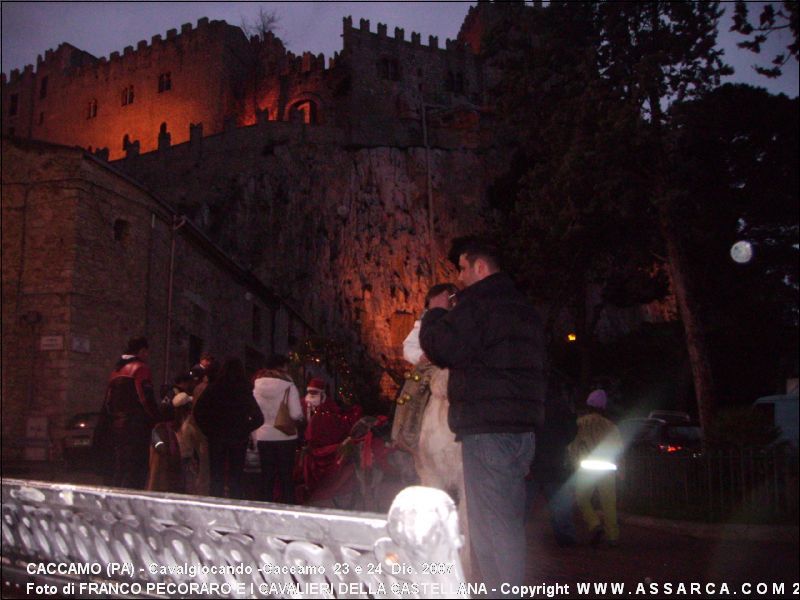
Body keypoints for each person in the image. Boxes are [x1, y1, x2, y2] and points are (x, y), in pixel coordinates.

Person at [419, 236, 545, 595]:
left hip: (489, 433)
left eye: (461, 269)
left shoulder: (482, 302)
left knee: (492, 529)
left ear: (479, 267)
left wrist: (436, 311)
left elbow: (442, 347)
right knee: (504, 523)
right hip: (521, 431)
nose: (459, 278)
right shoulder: (523, 307)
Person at [193, 358, 264, 498]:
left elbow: (198, 411)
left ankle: (215, 506)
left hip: (217, 437)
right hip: (238, 438)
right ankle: (234, 508)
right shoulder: (244, 389)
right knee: (236, 478)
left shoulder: (214, 388)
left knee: (216, 477)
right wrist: (244, 429)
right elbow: (258, 418)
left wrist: (208, 430)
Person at [526, 371, 578, 547]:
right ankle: (565, 534)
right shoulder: (562, 406)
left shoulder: (532, 404)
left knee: (523, 504)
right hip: (555, 461)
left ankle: (513, 533)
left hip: (533, 461)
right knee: (560, 501)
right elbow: (571, 432)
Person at [102, 336, 160, 489]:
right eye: (146, 352)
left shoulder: (116, 370)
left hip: (118, 425)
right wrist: (155, 417)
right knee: (136, 468)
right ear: (141, 351)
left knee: (121, 466)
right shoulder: (140, 368)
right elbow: (145, 399)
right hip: (136, 426)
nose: (147, 356)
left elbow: (108, 401)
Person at [569, 388, 623, 547]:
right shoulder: (611, 426)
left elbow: (573, 445)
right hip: (607, 468)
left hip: (587, 468)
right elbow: (619, 448)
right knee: (609, 503)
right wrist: (621, 469)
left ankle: (594, 523)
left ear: (588, 405)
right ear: (604, 407)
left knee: (582, 498)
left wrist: (572, 462)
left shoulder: (580, 423)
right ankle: (612, 536)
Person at [252, 354, 303, 503]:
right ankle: (288, 509)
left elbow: (255, 410)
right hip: (285, 437)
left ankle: (266, 509)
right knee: (286, 476)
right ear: (282, 367)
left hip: (263, 436)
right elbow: (296, 413)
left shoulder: (257, 385)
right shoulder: (288, 385)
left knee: (267, 476)